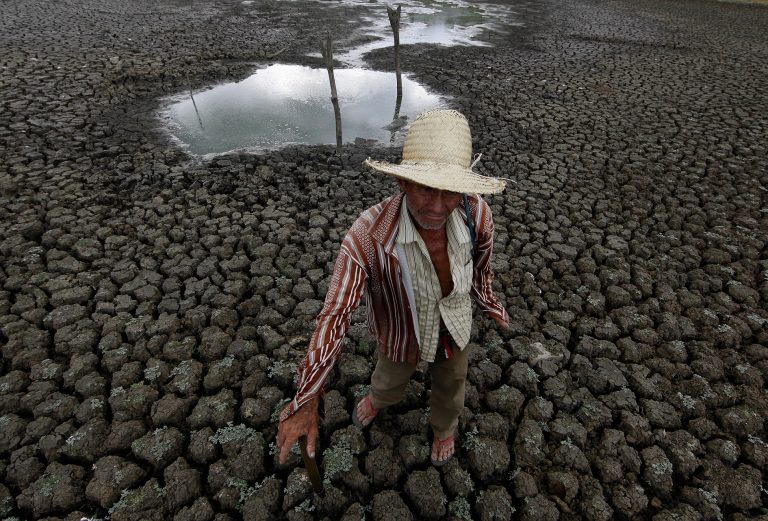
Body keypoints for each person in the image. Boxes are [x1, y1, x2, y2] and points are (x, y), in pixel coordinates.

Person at [277, 108, 509, 467]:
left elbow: (481, 266)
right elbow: (334, 316)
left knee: (452, 387)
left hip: (455, 325)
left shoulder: (476, 214)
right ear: (402, 182)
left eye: (450, 193)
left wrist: (489, 301)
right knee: (388, 380)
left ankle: (444, 428)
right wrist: (306, 398)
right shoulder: (367, 236)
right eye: (426, 189)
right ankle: (379, 400)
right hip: (399, 332)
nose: (437, 207)